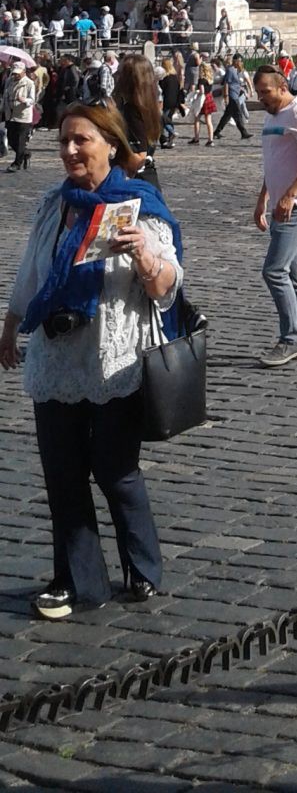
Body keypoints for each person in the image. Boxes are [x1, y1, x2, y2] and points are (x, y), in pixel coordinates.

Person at [0, 103, 183, 617]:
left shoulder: (141, 205)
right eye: (63, 142)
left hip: (115, 358)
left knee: (115, 470)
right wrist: (12, 324)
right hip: (58, 358)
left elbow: (168, 286)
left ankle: (142, 565)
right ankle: (77, 581)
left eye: (81, 140)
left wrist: (144, 255)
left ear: (110, 144)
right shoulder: (54, 205)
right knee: (62, 473)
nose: (71, 150)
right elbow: (32, 269)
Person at [251, 67, 297, 367]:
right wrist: (263, 197)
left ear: (282, 87)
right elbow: (275, 161)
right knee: (293, 275)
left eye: (265, 92)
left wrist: (291, 194)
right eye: (258, 92)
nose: (261, 98)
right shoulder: (272, 115)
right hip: (282, 202)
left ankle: (290, 339)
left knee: (274, 271)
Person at [112, 54, 163, 189]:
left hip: (134, 183)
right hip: (147, 179)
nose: (116, 74)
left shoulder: (132, 110)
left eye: (120, 72)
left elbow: (139, 156)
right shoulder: (149, 106)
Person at [4, 62, 38, 172]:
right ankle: (26, 153)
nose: (15, 75)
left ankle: (17, 163)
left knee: (20, 140)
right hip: (10, 114)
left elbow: (32, 100)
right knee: (10, 139)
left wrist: (25, 100)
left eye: (18, 73)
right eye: (14, 73)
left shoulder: (29, 83)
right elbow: (5, 95)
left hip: (23, 115)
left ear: (23, 72)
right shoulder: (9, 81)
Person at [214, 54, 254, 142]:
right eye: (239, 61)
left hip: (235, 93)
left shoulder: (236, 70)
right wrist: (226, 96)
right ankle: (244, 133)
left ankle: (217, 132)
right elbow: (226, 83)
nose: (240, 63)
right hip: (232, 95)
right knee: (238, 114)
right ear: (235, 61)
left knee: (227, 116)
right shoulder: (231, 70)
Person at [188, 57, 216, 148]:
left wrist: (196, 92)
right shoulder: (210, 79)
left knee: (197, 118)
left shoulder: (201, 80)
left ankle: (196, 138)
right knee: (209, 120)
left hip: (202, 99)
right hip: (209, 97)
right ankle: (210, 139)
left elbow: (202, 91)